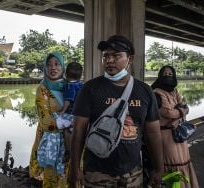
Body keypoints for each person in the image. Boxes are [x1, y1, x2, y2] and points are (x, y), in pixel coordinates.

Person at [69, 35, 164, 188]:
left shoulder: (144, 91)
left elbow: (153, 133)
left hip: (133, 172)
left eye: (116, 55)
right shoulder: (90, 88)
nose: (109, 60)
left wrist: (159, 168)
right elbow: (78, 130)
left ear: (130, 59)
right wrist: (74, 168)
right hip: (96, 173)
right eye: (106, 55)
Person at [151, 65, 199, 188]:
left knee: (184, 161)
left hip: (179, 134)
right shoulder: (157, 92)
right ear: (160, 76)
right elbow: (167, 113)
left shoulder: (174, 91)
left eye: (170, 74)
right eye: (165, 74)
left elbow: (186, 107)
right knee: (172, 162)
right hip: (166, 135)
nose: (168, 76)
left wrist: (178, 117)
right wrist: (181, 111)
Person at [29, 51, 68, 188]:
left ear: (63, 67)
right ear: (45, 68)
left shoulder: (71, 86)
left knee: (69, 176)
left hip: (69, 140)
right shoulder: (42, 89)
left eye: (57, 64)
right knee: (51, 177)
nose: (53, 68)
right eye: (49, 65)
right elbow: (45, 119)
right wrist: (68, 122)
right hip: (49, 139)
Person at [56, 62, 83, 162]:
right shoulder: (81, 84)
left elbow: (68, 100)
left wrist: (62, 110)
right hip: (80, 114)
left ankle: (68, 151)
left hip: (71, 113)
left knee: (66, 130)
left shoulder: (69, 86)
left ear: (66, 75)